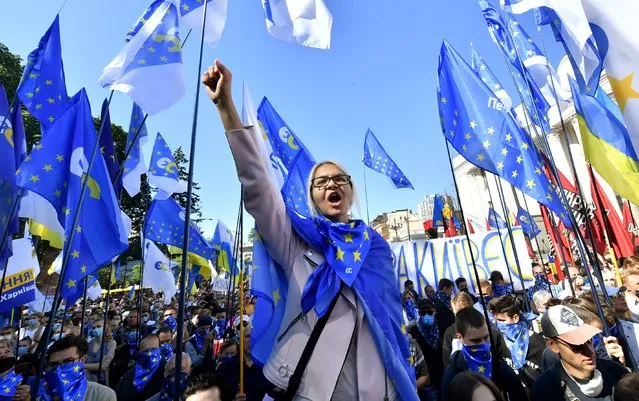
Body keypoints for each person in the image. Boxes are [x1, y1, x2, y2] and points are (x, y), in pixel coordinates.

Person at [202, 60, 417, 400]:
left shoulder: (377, 249)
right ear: (312, 196)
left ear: (349, 191)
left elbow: (392, 323)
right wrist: (226, 108)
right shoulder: (295, 242)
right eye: (321, 181)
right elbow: (259, 187)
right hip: (311, 389)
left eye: (339, 179)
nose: (331, 184)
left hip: (380, 389)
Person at [532, 305, 629, 401]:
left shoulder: (614, 370)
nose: (590, 351)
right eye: (576, 345)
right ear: (553, 345)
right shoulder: (547, 388)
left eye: (589, 340)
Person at [440, 308, 527, 401]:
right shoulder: (452, 375)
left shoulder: (501, 369)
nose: (483, 344)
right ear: (460, 337)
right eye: (475, 340)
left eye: (486, 338)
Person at [488, 295, 546, 389]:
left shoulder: (537, 343)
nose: (498, 325)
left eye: (502, 320)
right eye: (496, 321)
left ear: (515, 318)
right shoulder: (498, 340)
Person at [442, 292, 510, 368]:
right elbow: (448, 362)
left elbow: (504, 357)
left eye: (485, 338)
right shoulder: (450, 332)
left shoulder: (491, 330)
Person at [42, 334, 116, 401]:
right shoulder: (40, 392)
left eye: (68, 362)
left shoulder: (103, 395)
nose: (59, 369)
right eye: (53, 364)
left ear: (82, 360)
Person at [216, 325, 274, 400]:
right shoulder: (226, 367)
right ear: (240, 340)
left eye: (256, 336)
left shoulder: (270, 368)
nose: (252, 340)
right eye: (248, 336)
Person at [115, 334, 166, 401]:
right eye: (145, 351)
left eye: (153, 349)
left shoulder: (167, 372)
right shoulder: (129, 376)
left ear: (159, 349)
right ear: (140, 353)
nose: (149, 353)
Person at [84, 318, 116, 384]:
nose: (95, 329)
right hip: (86, 379)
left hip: (101, 380)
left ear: (106, 327)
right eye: (93, 328)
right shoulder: (88, 343)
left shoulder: (111, 343)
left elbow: (104, 365)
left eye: (99, 326)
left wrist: (83, 365)